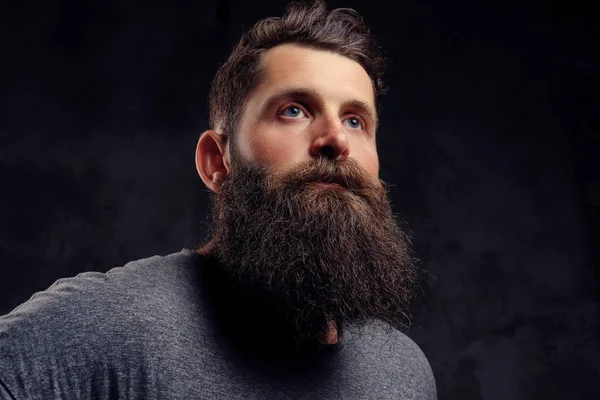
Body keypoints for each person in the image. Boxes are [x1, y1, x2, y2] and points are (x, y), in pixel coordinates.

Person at [0, 1, 437, 398]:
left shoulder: (402, 374)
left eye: (356, 120)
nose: (336, 139)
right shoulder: (107, 328)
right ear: (216, 161)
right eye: (294, 110)